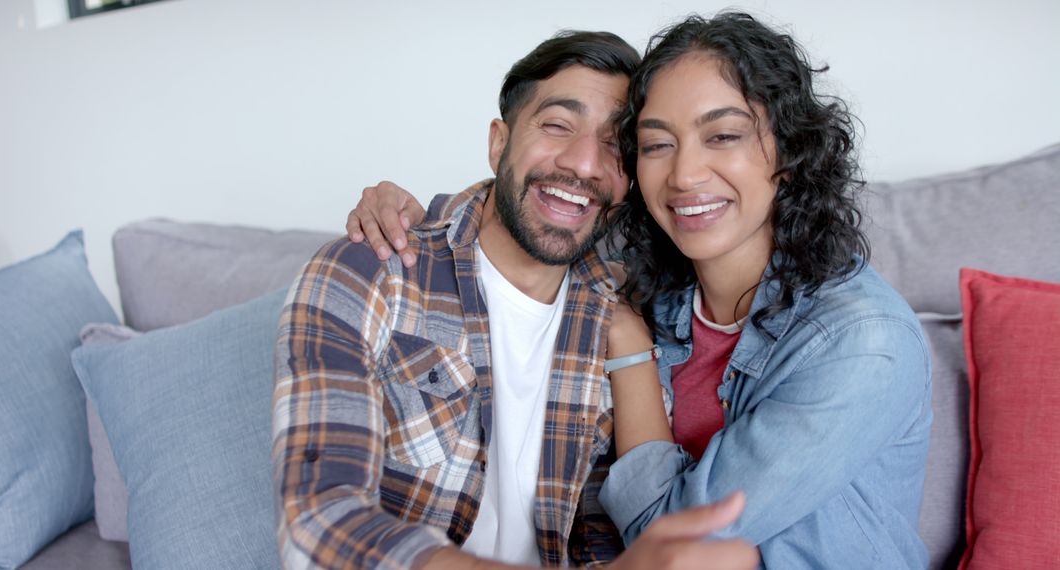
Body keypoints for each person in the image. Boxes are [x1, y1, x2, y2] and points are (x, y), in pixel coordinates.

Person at [347, 12, 933, 569]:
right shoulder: (652, 283)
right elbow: (545, 201)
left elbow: (670, 539)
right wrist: (412, 214)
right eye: (656, 145)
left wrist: (629, 350)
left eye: (724, 135)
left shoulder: (864, 343)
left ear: (790, 150)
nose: (684, 175)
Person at [274, 30, 758, 569]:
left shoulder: (623, 311)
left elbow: (603, 538)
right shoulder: (371, 273)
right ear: (499, 143)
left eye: (616, 145)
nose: (584, 164)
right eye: (557, 125)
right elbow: (321, 524)